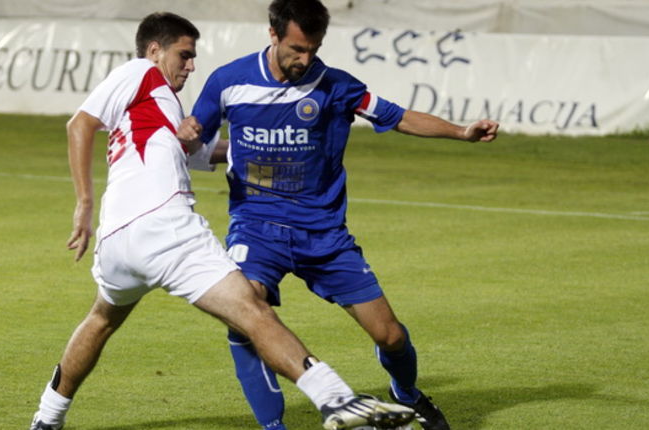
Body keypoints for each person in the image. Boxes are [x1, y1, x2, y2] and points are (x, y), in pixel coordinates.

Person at [27, 11, 418, 430]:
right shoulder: (141, 71)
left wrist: (260, 139)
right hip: (165, 228)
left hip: (118, 243)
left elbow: (206, 152)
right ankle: (336, 398)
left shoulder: (157, 112)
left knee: (101, 319)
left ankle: (46, 418)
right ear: (155, 50)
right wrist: (83, 201)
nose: (191, 66)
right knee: (253, 312)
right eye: (185, 55)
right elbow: (80, 123)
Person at [187, 1, 500, 430]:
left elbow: (399, 117)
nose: (306, 59)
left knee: (390, 335)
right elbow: (191, 141)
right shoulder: (228, 81)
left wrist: (461, 132)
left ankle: (405, 394)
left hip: (324, 233)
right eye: (297, 48)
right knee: (245, 314)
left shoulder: (336, 86)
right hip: (256, 228)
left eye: (314, 49)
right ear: (273, 34)